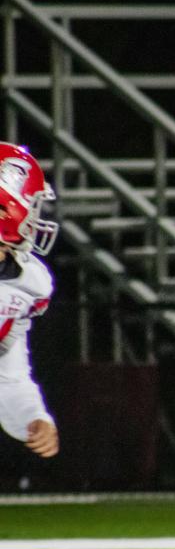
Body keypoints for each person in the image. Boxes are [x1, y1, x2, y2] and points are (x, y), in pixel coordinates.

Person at [0, 142, 60, 460]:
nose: (36, 216)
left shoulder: (26, 282)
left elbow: (8, 378)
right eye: (31, 204)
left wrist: (34, 417)